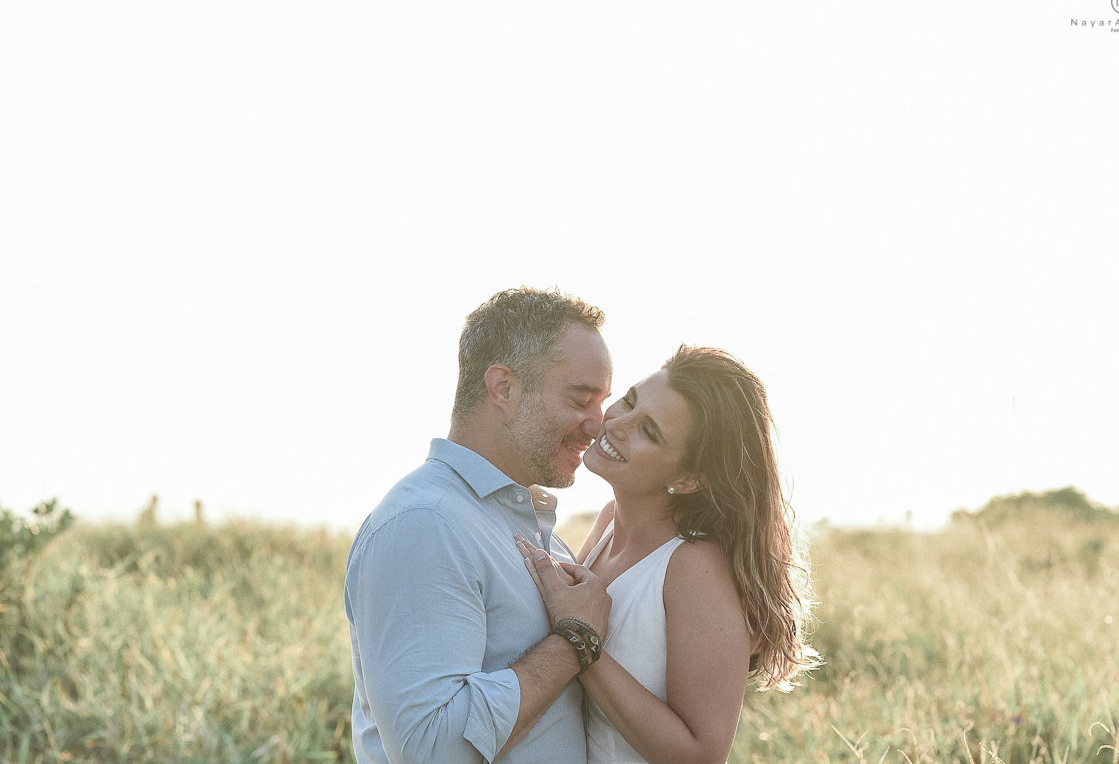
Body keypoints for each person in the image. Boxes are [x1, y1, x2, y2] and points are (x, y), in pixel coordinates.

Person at [343, 287, 616, 764]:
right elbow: (433, 750)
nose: (598, 424)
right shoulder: (426, 524)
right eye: (580, 399)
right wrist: (574, 641)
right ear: (503, 388)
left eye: (602, 402)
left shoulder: (533, 531)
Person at [517, 345, 821, 764]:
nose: (619, 423)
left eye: (650, 432)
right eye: (629, 400)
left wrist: (581, 643)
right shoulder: (608, 522)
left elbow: (701, 754)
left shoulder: (695, 566)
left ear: (688, 477)